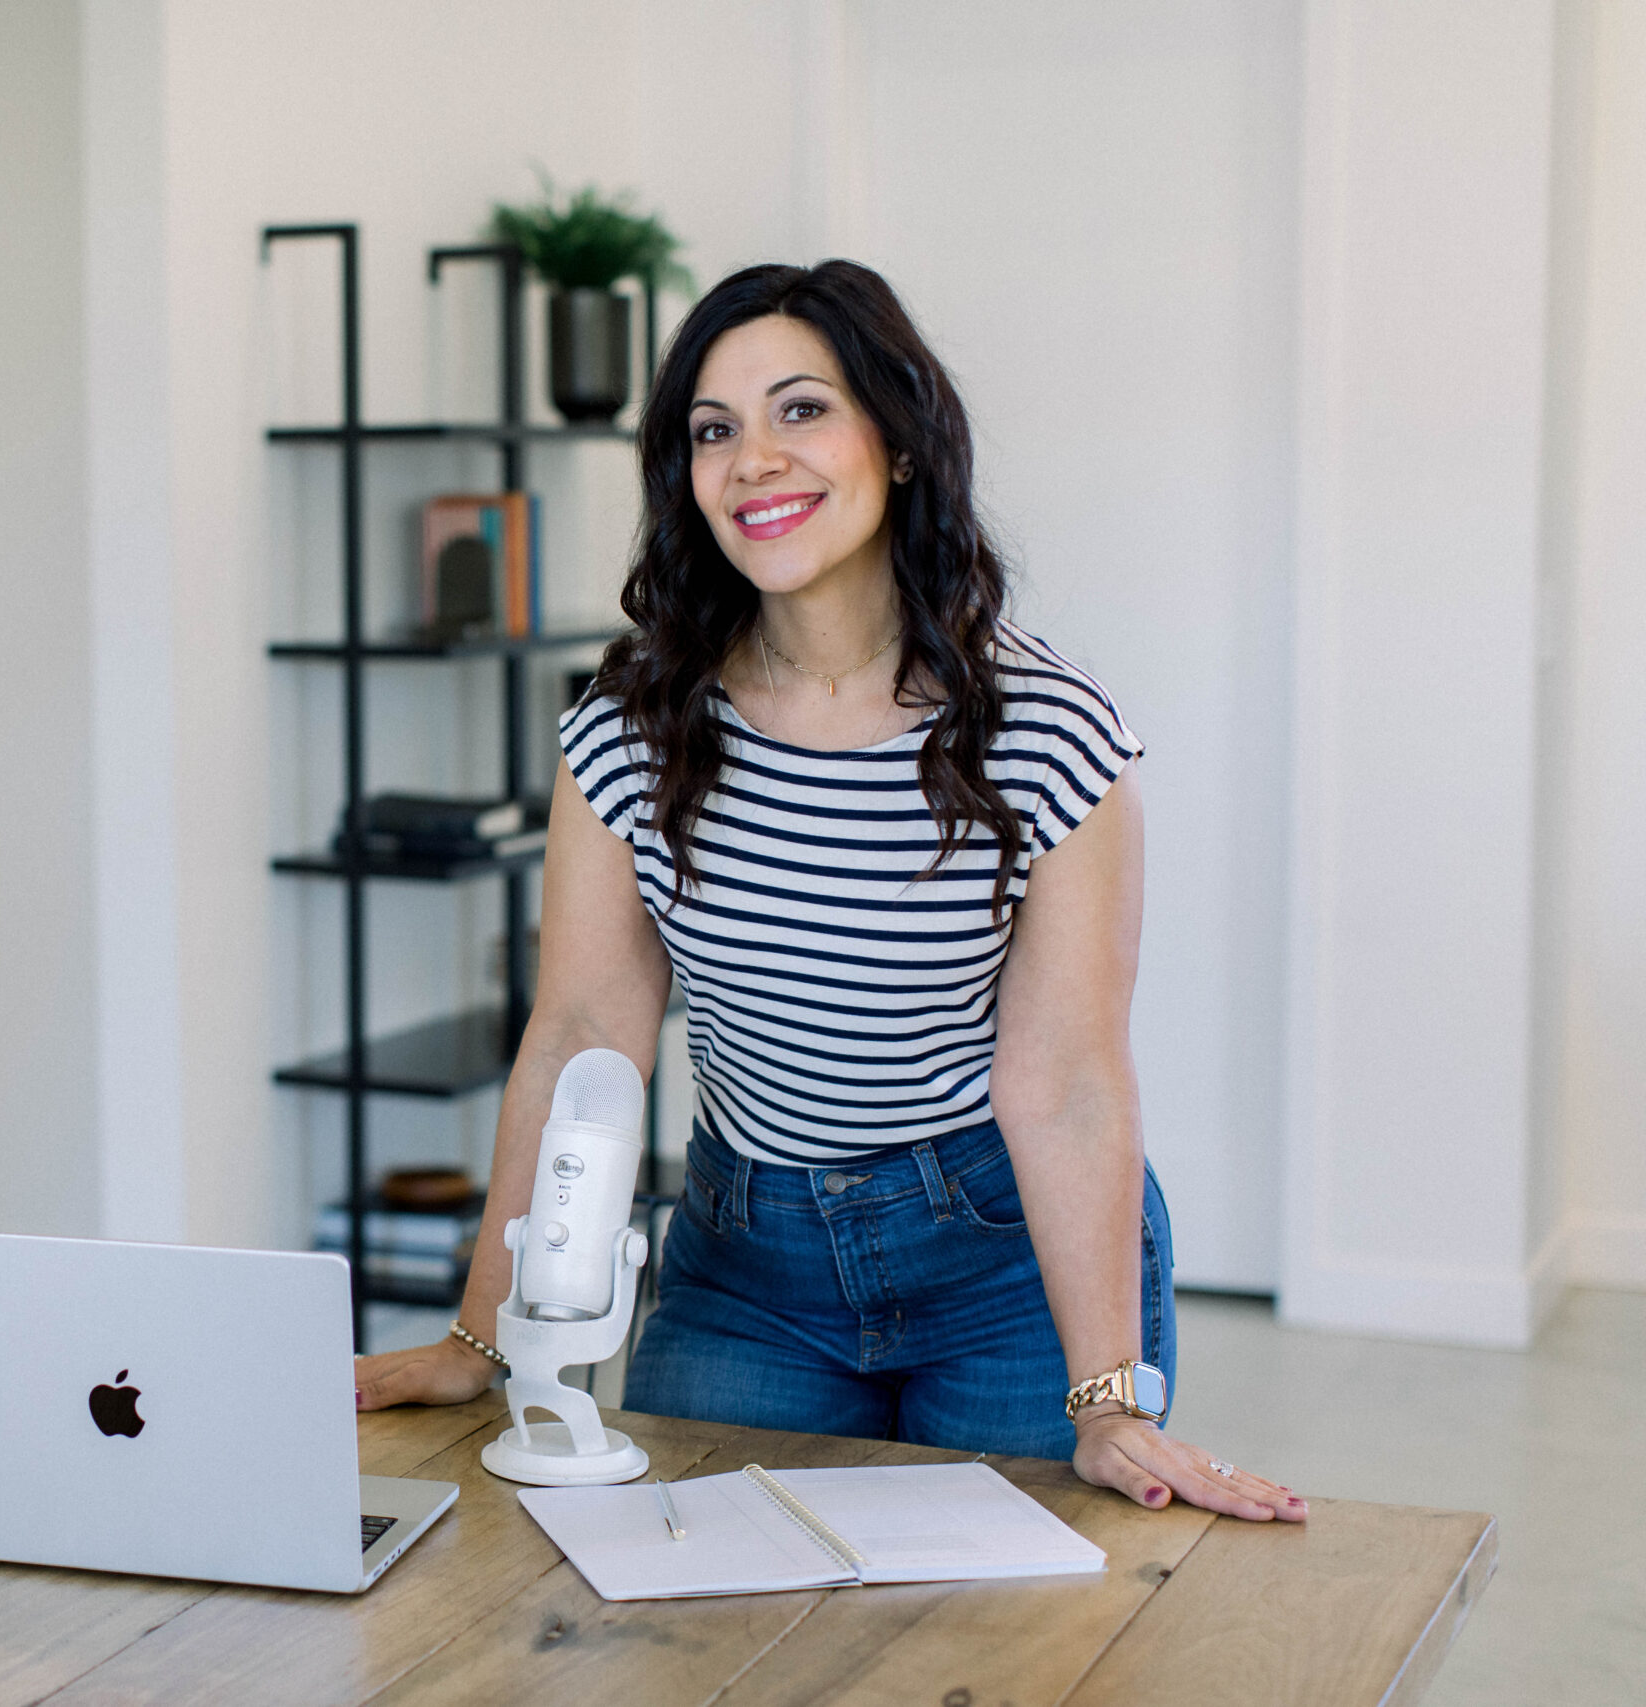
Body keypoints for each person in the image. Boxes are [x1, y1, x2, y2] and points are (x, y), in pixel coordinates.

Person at [354, 261, 1302, 1524]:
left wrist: (1108, 1400)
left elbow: (1066, 1080)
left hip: (1000, 1262)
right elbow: (581, 1041)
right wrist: (479, 1342)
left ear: (898, 442)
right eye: (712, 429)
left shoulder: (1046, 729)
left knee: (1014, 1647)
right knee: (697, 1625)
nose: (754, 459)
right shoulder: (631, 725)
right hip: (746, 1265)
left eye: (800, 409)